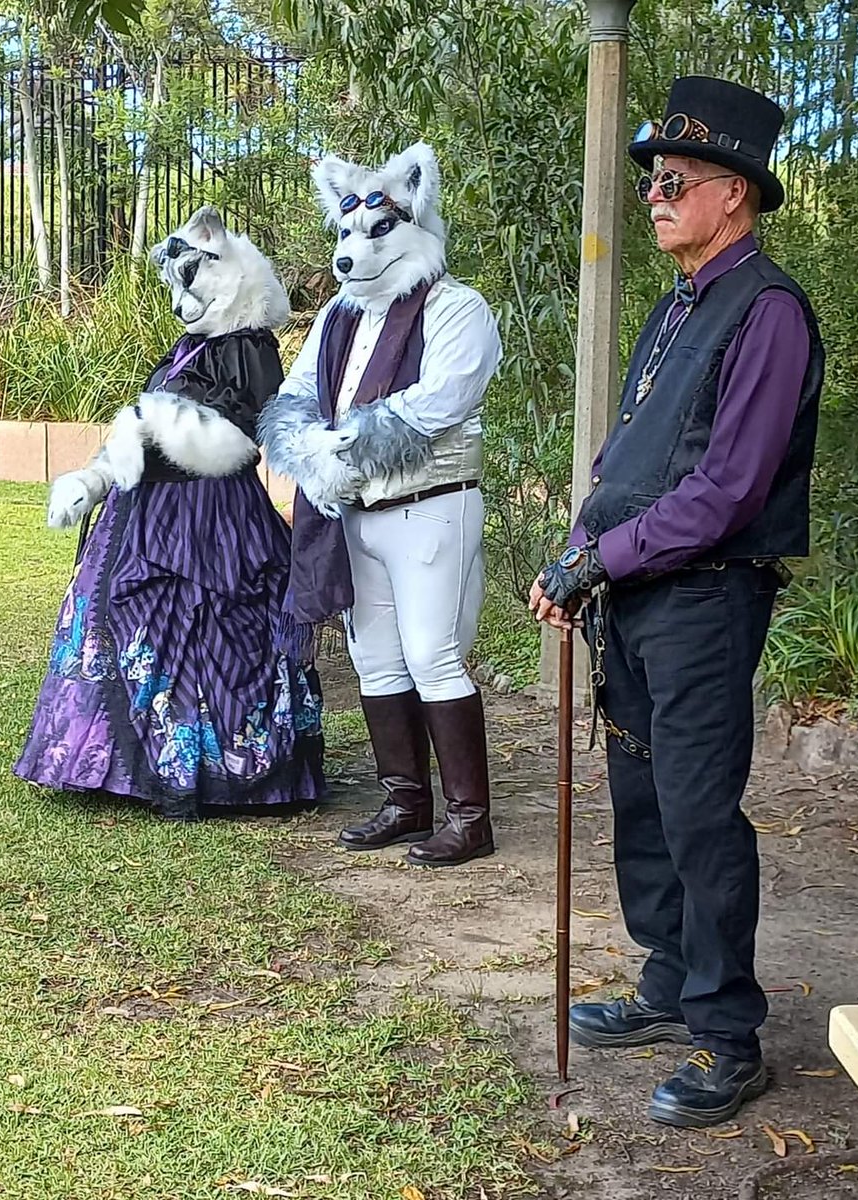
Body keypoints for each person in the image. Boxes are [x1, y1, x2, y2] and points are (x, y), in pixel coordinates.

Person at [530, 76, 824, 1128]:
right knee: (644, 805)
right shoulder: (679, 302)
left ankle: (728, 1034)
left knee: (700, 813)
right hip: (638, 596)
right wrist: (577, 552)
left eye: (673, 179)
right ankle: (667, 982)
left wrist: (604, 557)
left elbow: (729, 488)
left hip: (704, 597)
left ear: (734, 194)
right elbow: (629, 458)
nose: (653, 195)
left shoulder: (769, 310)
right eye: (651, 179)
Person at [14, 207, 326, 819]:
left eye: (196, 283)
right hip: (146, 507)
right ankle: (116, 760)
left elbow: (246, 428)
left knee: (206, 618)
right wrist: (100, 474)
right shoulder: (187, 348)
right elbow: (144, 423)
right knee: (119, 615)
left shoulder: (249, 346)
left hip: (212, 513)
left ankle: (208, 765)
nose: (184, 301)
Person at [260, 141, 502, 868]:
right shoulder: (340, 318)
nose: (354, 250)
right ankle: (405, 800)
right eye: (347, 232)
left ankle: (470, 816)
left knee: (433, 653)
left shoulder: (457, 308)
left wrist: (345, 447)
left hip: (431, 505)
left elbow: (441, 400)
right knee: (375, 658)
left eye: (378, 232)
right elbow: (297, 394)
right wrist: (309, 451)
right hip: (354, 512)